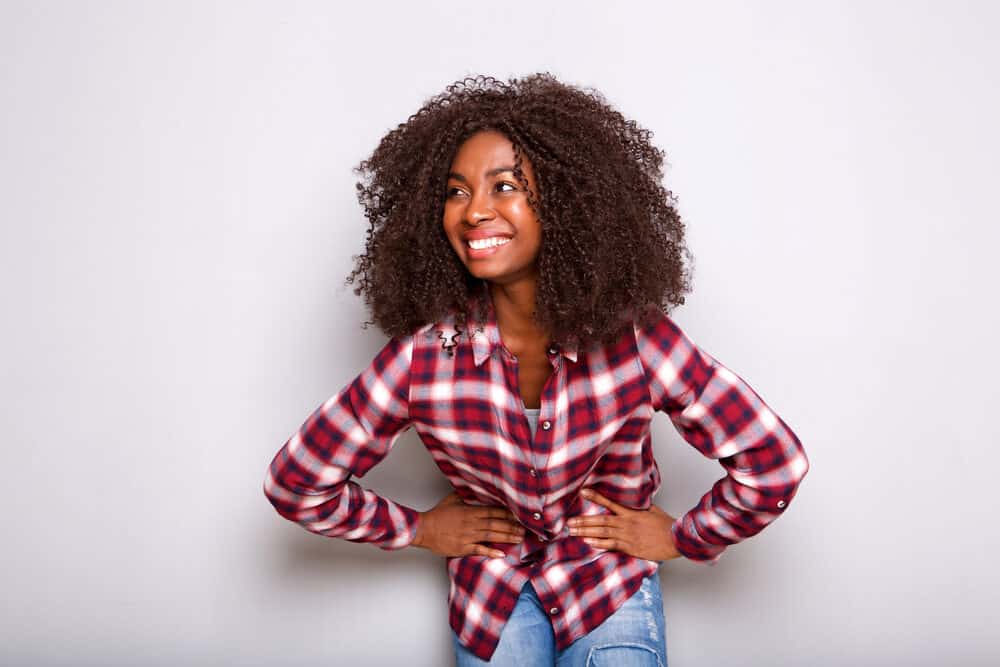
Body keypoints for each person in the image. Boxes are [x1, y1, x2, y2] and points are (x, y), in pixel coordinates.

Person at [263, 73, 809, 666]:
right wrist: (418, 529)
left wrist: (683, 538)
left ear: (566, 202)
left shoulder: (637, 341)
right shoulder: (423, 359)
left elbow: (773, 462)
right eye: (456, 191)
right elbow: (297, 482)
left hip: (607, 586)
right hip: (491, 597)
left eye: (504, 187)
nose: (474, 212)